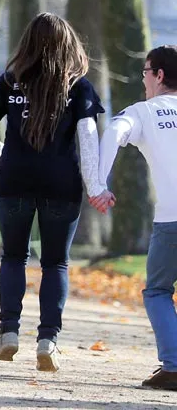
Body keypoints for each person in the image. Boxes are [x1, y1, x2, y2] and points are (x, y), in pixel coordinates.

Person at [0, 12, 104, 372]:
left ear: (27, 42)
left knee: (13, 257)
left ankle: (9, 333)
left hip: (13, 178)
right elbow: (88, 139)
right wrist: (95, 186)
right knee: (56, 262)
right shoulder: (78, 86)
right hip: (61, 183)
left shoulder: (8, 81)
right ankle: (48, 340)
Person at [92, 45, 177, 390]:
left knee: (157, 291)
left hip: (172, 219)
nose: (144, 80)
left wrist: (99, 184)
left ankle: (173, 365)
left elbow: (112, 132)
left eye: (145, 72)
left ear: (158, 75)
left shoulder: (145, 112)